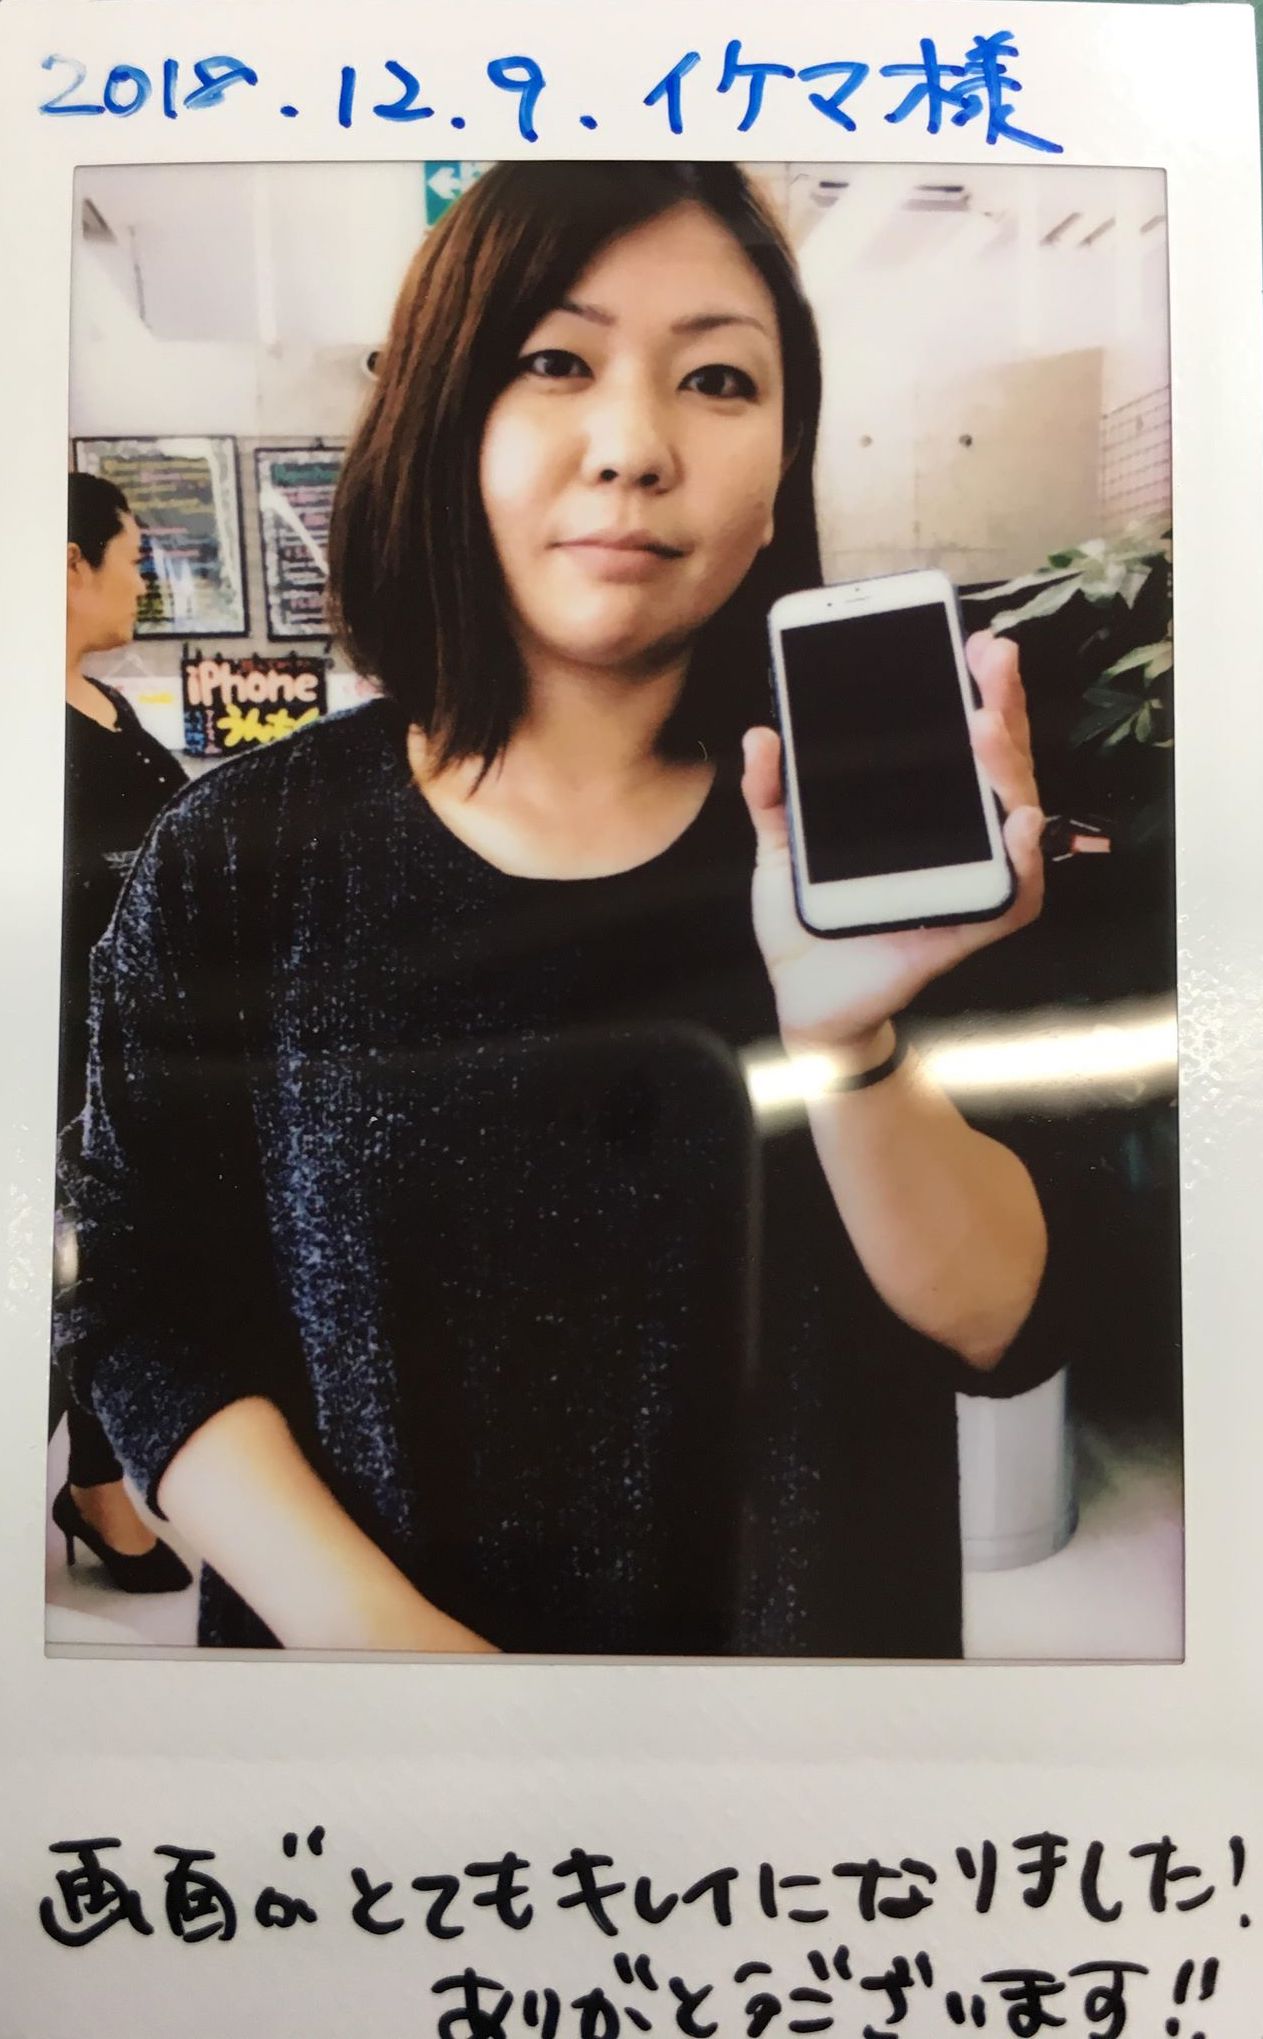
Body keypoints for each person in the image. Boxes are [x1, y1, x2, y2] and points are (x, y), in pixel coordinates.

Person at [70, 162, 1056, 1655]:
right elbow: (141, 1301)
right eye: (553, 361)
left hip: (804, 1734)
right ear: (445, 417)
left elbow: (1000, 1317)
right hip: (372, 1741)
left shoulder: (891, 844)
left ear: (782, 460)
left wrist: (846, 1043)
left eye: (718, 378)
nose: (634, 447)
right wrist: (403, 1664)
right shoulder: (241, 852)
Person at [51, 472, 191, 1594]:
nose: (143, 581)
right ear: (67, 563)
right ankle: (90, 1487)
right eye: (134, 559)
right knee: (49, 1274)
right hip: (51, 1063)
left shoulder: (106, 706)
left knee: (117, 1263)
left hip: (133, 1060)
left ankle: (98, 1482)